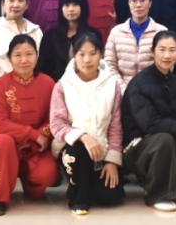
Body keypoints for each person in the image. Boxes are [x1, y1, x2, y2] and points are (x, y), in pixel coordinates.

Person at [120, 31, 176, 212]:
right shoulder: (139, 83)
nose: (167, 55)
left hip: (166, 143)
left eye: (172, 50)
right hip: (136, 145)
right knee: (164, 139)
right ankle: (157, 195)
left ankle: (154, 183)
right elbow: (150, 124)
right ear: (152, 52)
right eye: (162, 50)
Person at [49, 33, 127, 215]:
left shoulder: (112, 84)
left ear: (101, 54)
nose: (87, 59)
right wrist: (83, 137)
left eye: (93, 53)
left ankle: (85, 184)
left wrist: (112, 161)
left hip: (102, 150)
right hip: (73, 147)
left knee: (110, 197)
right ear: (74, 55)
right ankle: (79, 198)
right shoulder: (63, 85)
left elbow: (116, 126)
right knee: (78, 152)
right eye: (81, 54)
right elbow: (57, 124)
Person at [0, 35, 58, 216]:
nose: (24, 60)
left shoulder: (48, 83)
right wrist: (33, 134)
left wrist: (40, 136)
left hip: (36, 148)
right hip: (8, 147)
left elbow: (55, 118)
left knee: (48, 174)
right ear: (9, 59)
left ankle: (31, 186)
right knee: (3, 141)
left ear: (37, 56)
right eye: (17, 55)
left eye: (29, 54)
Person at [105, 0, 169, 84]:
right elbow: (109, 64)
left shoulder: (161, 32)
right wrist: (123, 88)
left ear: (150, 3)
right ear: (128, 3)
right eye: (134, 1)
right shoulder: (116, 32)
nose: (138, 5)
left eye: (142, 0)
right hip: (123, 88)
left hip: (153, 88)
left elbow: (166, 64)